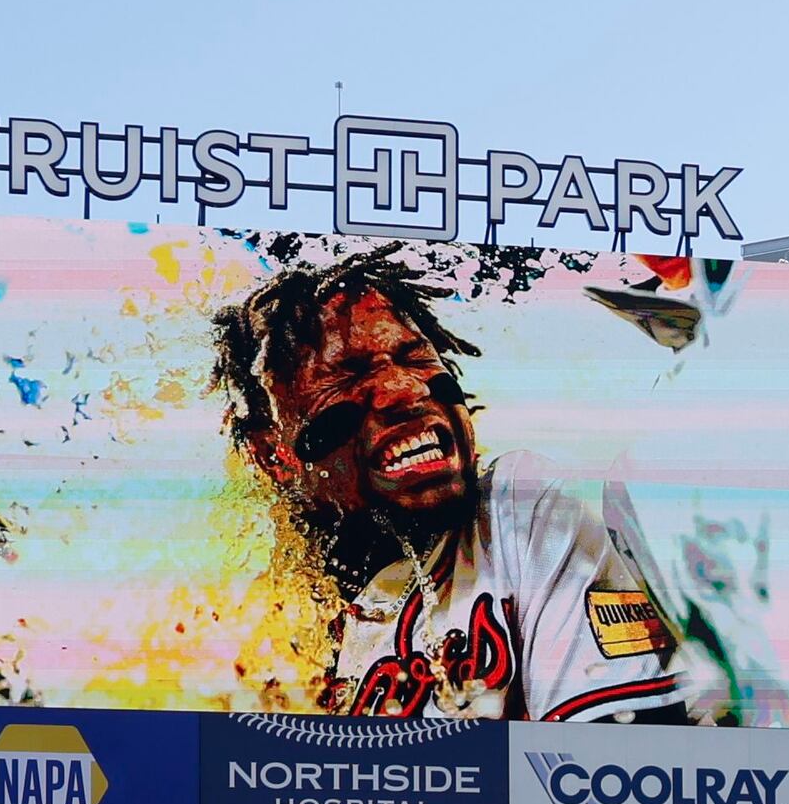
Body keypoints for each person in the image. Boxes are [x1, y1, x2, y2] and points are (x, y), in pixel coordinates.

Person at [213, 250, 702, 726]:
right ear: (274, 454)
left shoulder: (516, 515)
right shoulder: (268, 637)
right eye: (349, 374)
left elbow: (621, 773)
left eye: (413, 354)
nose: (406, 388)